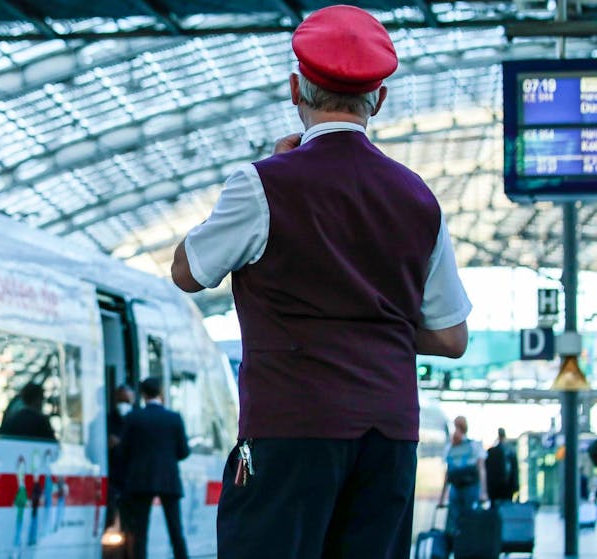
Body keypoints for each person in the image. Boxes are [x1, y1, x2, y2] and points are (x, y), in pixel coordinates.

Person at [170, 5, 471, 558]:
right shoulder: (417, 198)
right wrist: (374, 322)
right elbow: (452, 338)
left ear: (294, 89)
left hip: (289, 431)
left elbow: (187, 272)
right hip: (389, 438)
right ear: (379, 99)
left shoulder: (264, 185)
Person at [120, 377, 190, 559]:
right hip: (168, 479)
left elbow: (122, 451)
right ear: (160, 392)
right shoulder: (174, 418)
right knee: (176, 531)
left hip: (140, 480)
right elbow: (183, 451)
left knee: (140, 532)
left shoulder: (133, 418)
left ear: (142, 394)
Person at [440, 416, 487, 540]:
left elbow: (481, 469)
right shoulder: (452, 447)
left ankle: (462, 546)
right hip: (461, 488)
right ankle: (462, 546)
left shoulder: (471, 446)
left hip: (466, 488)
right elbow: (448, 473)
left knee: (463, 520)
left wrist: (483, 492)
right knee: (463, 520)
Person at [106, 384, 135, 529]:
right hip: (114, 478)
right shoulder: (106, 421)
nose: (123, 404)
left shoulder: (138, 419)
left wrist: (122, 443)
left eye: (126, 400)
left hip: (133, 480)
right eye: (120, 400)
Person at [485, 427, 519, 504]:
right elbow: (515, 471)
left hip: (495, 487)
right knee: (506, 508)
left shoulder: (491, 452)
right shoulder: (511, 451)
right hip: (507, 487)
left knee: (496, 508)